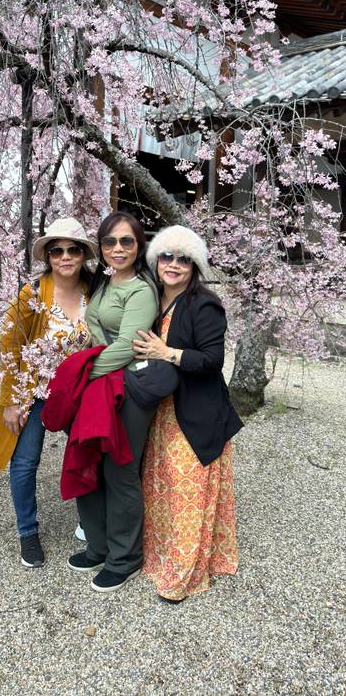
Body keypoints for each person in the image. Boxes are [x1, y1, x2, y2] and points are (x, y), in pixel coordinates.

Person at [132, 225, 244, 603]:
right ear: (156, 260)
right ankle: (161, 558)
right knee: (161, 489)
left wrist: (168, 353)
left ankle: (183, 575)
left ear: (194, 264)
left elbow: (213, 361)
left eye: (184, 258)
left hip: (194, 412)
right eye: (167, 256)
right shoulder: (152, 299)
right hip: (161, 411)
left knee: (186, 495)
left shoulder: (204, 304)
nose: (174, 264)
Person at [0, 217, 96, 567]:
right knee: (25, 461)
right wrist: (12, 400)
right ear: (48, 256)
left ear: (83, 254)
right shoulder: (33, 293)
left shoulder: (94, 291)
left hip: (78, 391)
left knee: (91, 452)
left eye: (73, 249)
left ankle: (91, 522)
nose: (65, 257)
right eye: (57, 251)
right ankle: (27, 532)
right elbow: (10, 343)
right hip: (35, 390)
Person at [67, 211, 159, 593]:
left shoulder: (140, 290)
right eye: (109, 242)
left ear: (139, 246)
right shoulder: (104, 284)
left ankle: (125, 557)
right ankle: (98, 544)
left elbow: (126, 346)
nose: (117, 249)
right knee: (89, 457)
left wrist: (80, 375)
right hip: (99, 387)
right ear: (100, 248)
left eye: (126, 241)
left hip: (127, 387)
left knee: (120, 469)